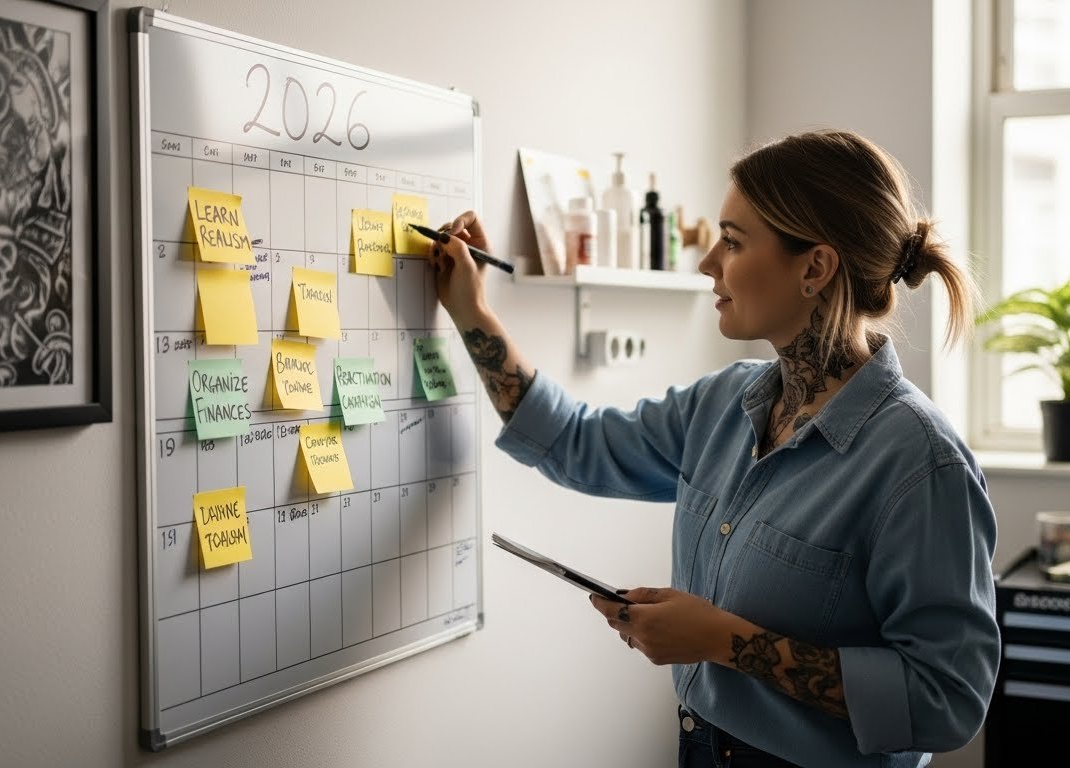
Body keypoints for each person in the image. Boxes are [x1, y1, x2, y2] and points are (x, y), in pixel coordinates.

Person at [428, 129, 999, 768]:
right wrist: (471, 310)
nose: (708, 264)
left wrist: (725, 641)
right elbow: (574, 443)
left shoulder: (920, 463)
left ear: (814, 267)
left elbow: (948, 700)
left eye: (732, 241)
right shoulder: (724, 404)